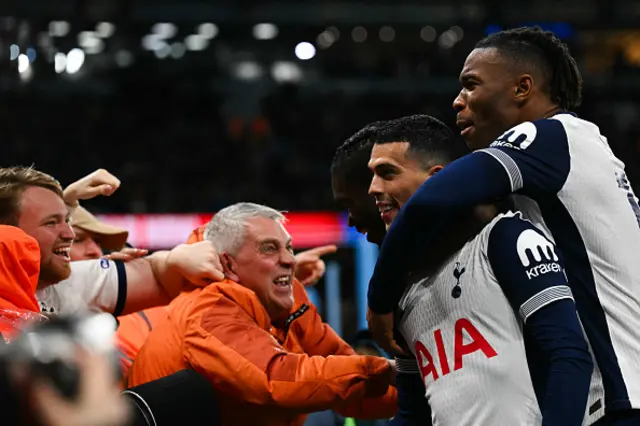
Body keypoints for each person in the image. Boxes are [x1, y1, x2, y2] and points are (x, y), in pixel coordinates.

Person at [366, 28, 640, 424]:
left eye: (471, 85)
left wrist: (380, 300)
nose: (458, 100)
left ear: (521, 88)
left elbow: (432, 199)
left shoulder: (548, 136)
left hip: (621, 397)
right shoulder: (588, 156)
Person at [367, 114, 592, 424]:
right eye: (373, 175)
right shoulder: (401, 295)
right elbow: (413, 414)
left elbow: (569, 355)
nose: (373, 188)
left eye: (387, 173)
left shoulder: (506, 239)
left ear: (436, 179)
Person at [128, 202, 397, 426]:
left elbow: (342, 372)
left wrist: (418, 392)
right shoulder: (208, 309)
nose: (290, 259)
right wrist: (384, 371)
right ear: (228, 264)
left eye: (289, 247)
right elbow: (276, 378)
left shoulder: (290, 300)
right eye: (270, 248)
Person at [0, 166, 225, 317]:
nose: (68, 234)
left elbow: (160, 276)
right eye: (51, 223)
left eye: (67, 221)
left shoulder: (66, 284)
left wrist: (175, 258)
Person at [331, 126, 429, 426]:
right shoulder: (401, 286)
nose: (350, 219)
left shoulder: (491, 242)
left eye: (349, 204)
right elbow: (414, 404)